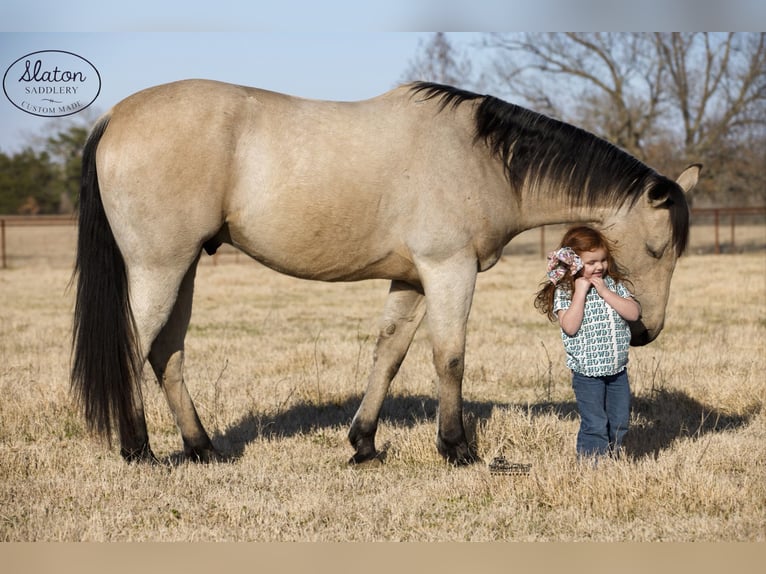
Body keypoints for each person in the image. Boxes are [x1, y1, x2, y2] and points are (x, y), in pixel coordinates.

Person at [534, 226, 641, 459]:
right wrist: (580, 292)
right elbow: (570, 326)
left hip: (617, 371)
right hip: (587, 373)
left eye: (603, 260)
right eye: (591, 262)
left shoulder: (613, 285)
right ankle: (592, 467)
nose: (599, 266)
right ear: (575, 262)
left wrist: (605, 293)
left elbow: (633, 313)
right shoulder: (566, 290)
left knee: (620, 421)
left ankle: (614, 458)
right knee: (595, 423)